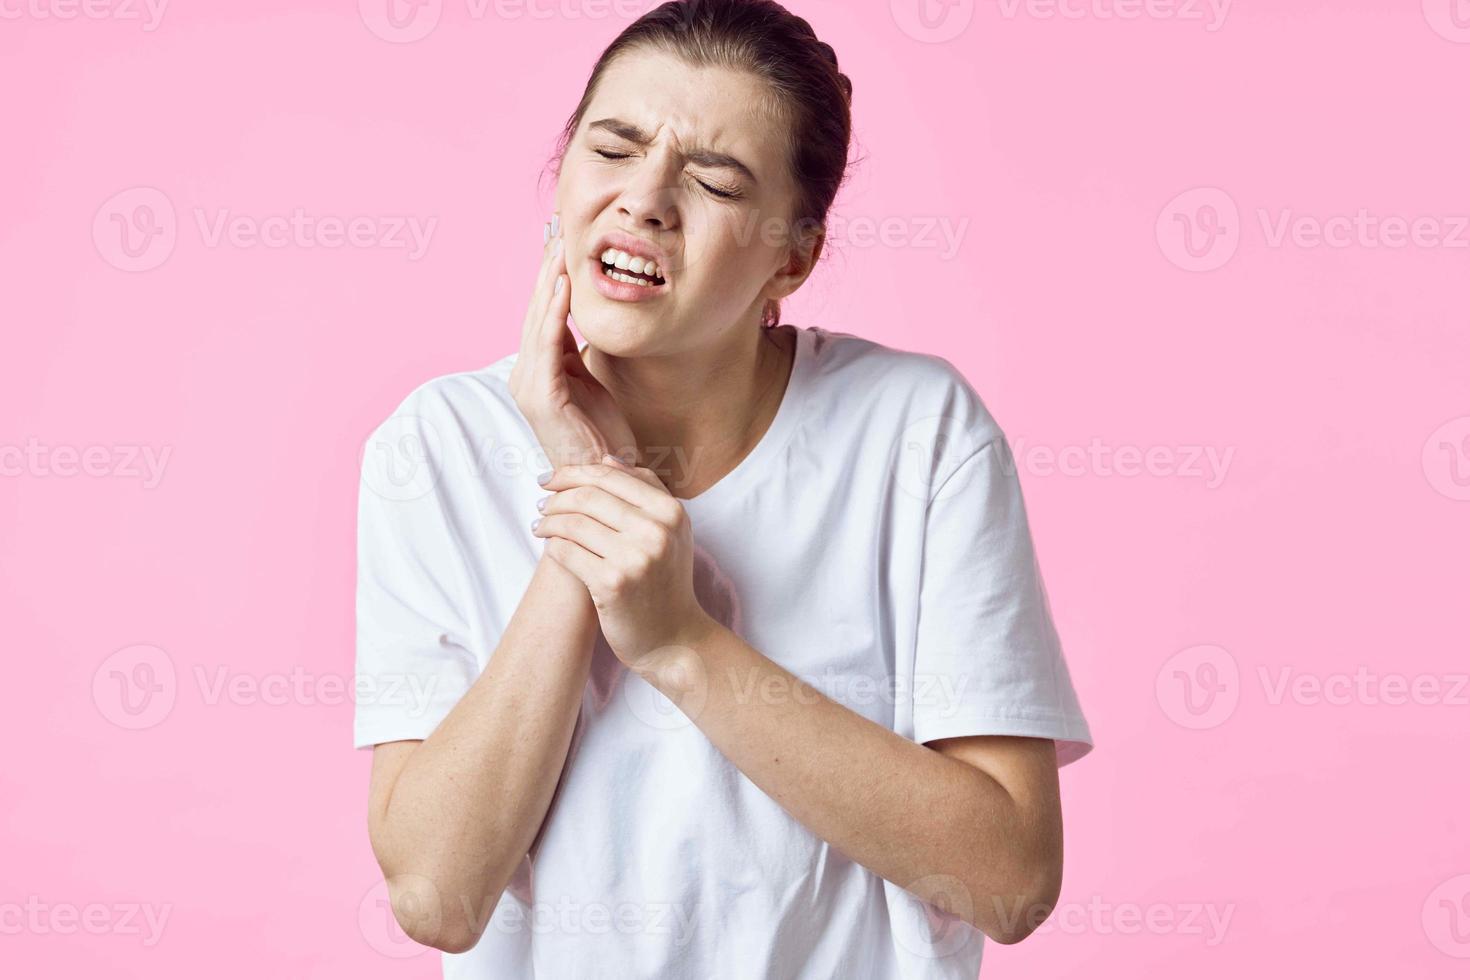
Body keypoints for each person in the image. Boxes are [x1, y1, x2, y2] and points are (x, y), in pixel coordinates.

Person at [353, 1, 1093, 976]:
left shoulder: (918, 432)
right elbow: (438, 897)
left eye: (715, 179)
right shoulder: (435, 445)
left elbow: (1010, 880)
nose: (646, 198)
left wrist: (681, 643)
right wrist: (594, 496)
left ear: (794, 253)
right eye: (612, 149)